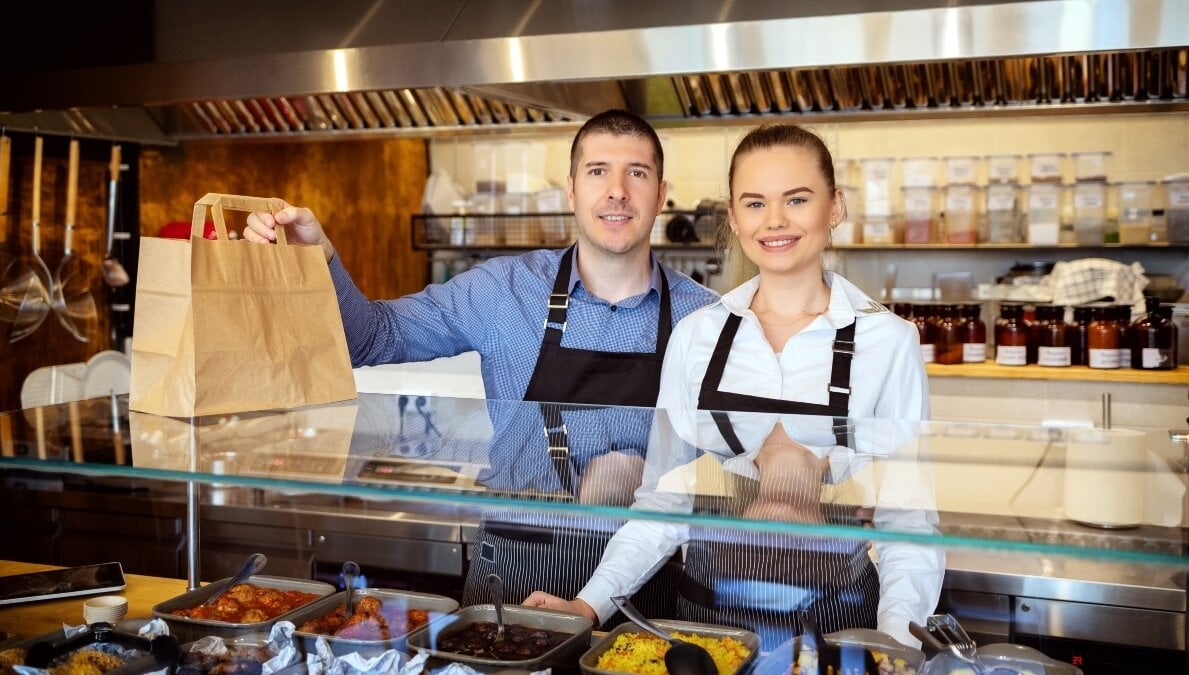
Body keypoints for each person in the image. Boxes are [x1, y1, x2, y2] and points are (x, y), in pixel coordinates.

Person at [243, 109, 717, 623]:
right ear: (572, 190)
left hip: (642, 586)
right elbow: (373, 339)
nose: (617, 191)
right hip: (513, 574)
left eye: (637, 173)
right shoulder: (503, 290)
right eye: (598, 171)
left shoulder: (705, 318)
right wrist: (317, 257)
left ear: (661, 192)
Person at [525, 124, 943, 648]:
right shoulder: (698, 336)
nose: (774, 222)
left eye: (796, 199)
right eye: (754, 203)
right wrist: (588, 604)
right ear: (733, 217)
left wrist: (895, 647)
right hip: (706, 621)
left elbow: (909, 525)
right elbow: (664, 503)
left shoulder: (889, 342)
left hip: (840, 623)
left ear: (834, 207)